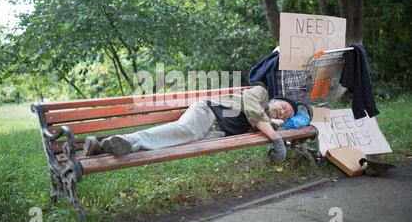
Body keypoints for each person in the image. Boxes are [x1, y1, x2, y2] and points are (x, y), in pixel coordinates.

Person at [83, 86, 297, 162]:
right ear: (276, 99)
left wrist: (276, 122)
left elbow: (262, 121)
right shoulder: (260, 94)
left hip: (210, 134)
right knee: (180, 130)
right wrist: (275, 136)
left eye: (288, 115)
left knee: (169, 140)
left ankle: (103, 147)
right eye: (286, 106)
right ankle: (126, 140)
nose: (285, 112)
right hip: (207, 114)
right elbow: (252, 109)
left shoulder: (265, 121)